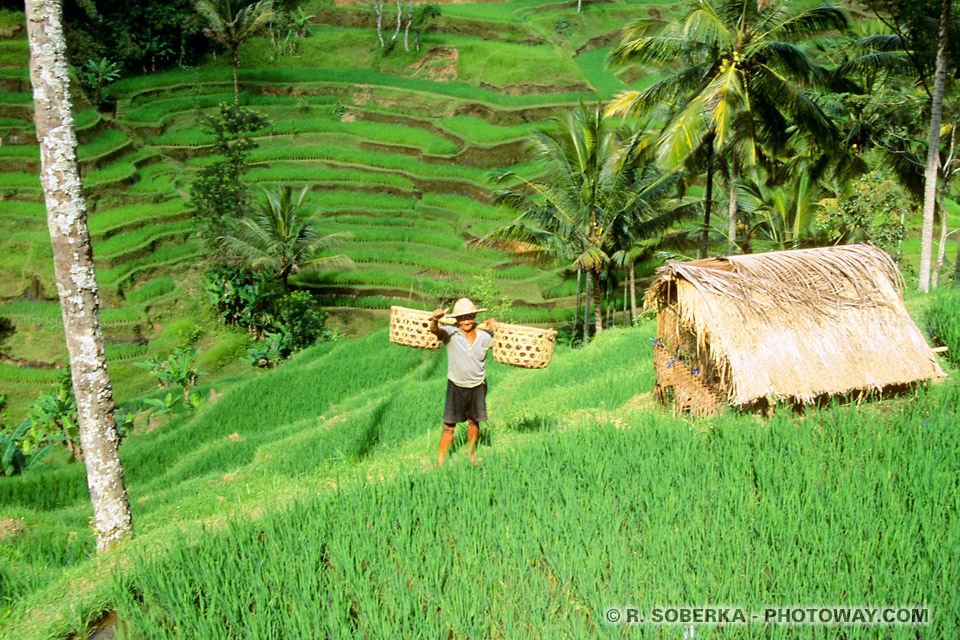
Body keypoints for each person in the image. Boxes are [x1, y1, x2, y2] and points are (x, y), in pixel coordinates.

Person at [429, 298, 496, 466]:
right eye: (462, 317)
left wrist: (497, 328)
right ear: (457, 319)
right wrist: (435, 319)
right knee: (448, 426)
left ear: (474, 316)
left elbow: (506, 343)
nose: (466, 321)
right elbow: (435, 331)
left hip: (478, 385)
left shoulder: (485, 335)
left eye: (470, 316)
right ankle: (441, 462)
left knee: (474, 422)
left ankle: (470, 455)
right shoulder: (450, 333)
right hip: (456, 386)